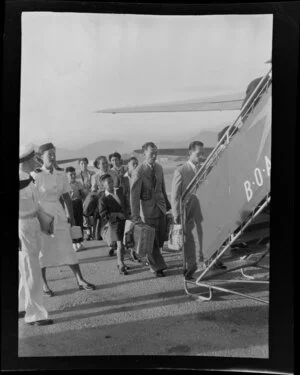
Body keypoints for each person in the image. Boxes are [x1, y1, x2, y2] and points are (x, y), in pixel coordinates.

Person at [34, 143, 95, 296]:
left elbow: (66, 196)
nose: (53, 157)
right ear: (41, 158)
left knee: (67, 246)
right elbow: (31, 198)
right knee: (43, 250)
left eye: (54, 154)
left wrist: (72, 217)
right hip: (43, 215)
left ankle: (80, 279)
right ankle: (44, 285)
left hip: (59, 214)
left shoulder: (61, 174)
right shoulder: (36, 175)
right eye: (49, 154)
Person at [171, 141, 225, 281]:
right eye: (198, 153)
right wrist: (176, 214)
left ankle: (210, 261)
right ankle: (191, 266)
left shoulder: (205, 169)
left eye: (203, 153)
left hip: (204, 210)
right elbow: (175, 195)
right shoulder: (181, 170)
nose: (201, 156)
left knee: (206, 235)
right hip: (188, 210)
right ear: (190, 153)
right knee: (189, 240)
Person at [19, 144, 53, 326]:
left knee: (26, 268)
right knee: (31, 269)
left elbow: (36, 204)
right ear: (26, 160)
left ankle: (22, 306)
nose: (37, 161)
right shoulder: (20, 180)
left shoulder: (27, 178)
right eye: (34, 158)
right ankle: (35, 315)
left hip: (31, 223)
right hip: (23, 225)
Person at [130, 142, 171, 277]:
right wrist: (135, 216)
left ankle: (153, 260)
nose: (154, 155)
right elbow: (134, 196)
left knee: (159, 238)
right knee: (151, 240)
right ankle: (156, 267)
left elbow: (162, 187)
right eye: (151, 153)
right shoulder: (139, 171)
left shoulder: (159, 168)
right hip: (146, 210)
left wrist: (168, 205)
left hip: (160, 208)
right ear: (144, 154)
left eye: (156, 152)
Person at [98, 174, 129, 275]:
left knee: (125, 243)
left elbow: (126, 203)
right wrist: (116, 214)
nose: (111, 183)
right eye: (109, 182)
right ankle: (120, 264)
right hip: (115, 224)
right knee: (120, 244)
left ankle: (122, 261)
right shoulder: (103, 199)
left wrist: (128, 213)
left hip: (126, 220)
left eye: (112, 181)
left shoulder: (119, 190)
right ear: (103, 185)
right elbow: (103, 214)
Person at [91, 156, 117, 254]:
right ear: (98, 165)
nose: (105, 165)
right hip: (102, 204)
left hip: (114, 201)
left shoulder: (113, 173)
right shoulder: (95, 176)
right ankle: (111, 244)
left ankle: (113, 244)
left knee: (114, 224)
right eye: (102, 163)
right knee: (105, 225)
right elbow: (93, 190)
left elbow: (117, 186)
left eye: (106, 162)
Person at [123, 157, 140, 262]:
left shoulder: (138, 176)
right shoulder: (123, 179)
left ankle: (135, 252)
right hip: (127, 208)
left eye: (137, 164)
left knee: (137, 230)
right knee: (128, 231)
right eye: (133, 164)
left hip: (137, 208)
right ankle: (129, 251)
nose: (135, 166)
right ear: (127, 165)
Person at [66, 166, 86, 251]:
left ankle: (80, 242)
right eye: (71, 174)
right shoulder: (65, 185)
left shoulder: (78, 183)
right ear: (66, 175)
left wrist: (83, 191)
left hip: (78, 204)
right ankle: (74, 243)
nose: (73, 176)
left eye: (74, 174)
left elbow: (83, 195)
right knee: (73, 224)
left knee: (79, 223)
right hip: (70, 205)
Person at [77, 157, 95, 240]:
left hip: (91, 196)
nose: (83, 165)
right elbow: (78, 187)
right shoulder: (77, 175)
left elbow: (94, 184)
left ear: (87, 164)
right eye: (81, 163)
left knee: (92, 214)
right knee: (85, 215)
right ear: (79, 165)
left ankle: (94, 231)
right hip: (82, 197)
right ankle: (88, 232)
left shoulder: (92, 173)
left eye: (85, 163)